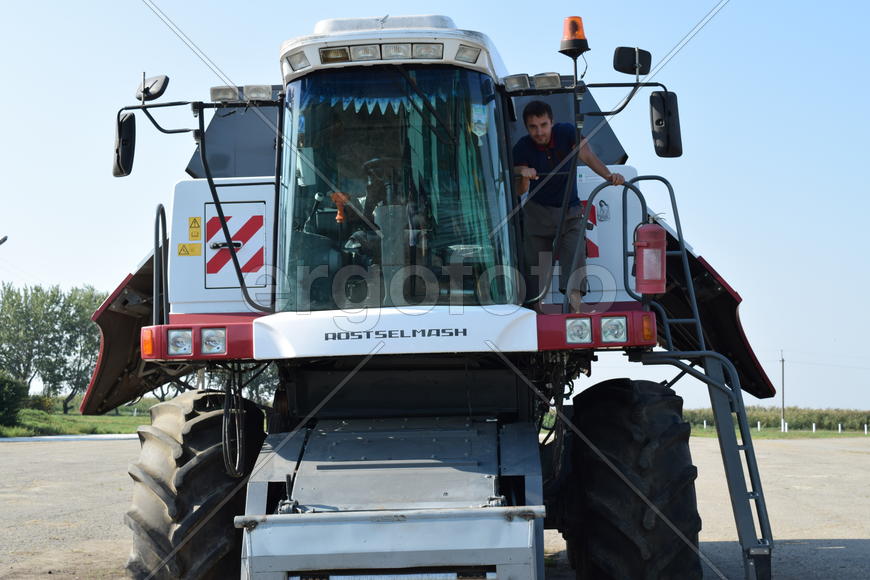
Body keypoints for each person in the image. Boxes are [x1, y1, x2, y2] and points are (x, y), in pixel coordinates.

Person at [513, 100, 624, 309]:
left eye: (543, 125)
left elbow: (588, 157)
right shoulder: (521, 148)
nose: (539, 132)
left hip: (569, 211)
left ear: (552, 122)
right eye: (533, 127)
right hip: (537, 215)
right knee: (536, 269)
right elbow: (519, 191)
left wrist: (609, 176)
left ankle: (576, 310)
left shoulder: (567, 133)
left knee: (575, 255)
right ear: (526, 127)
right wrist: (522, 174)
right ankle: (534, 312)